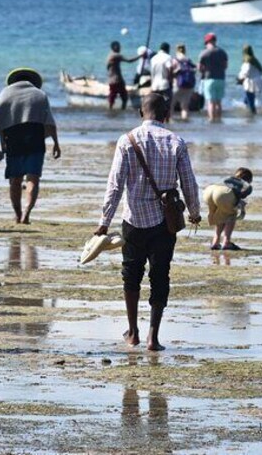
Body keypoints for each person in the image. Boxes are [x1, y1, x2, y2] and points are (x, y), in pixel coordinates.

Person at [95, 93, 201, 351]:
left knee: (131, 275)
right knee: (160, 275)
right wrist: (195, 212)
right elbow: (189, 182)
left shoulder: (127, 141)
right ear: (166, 115)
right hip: (166, 222)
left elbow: (115, 186)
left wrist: (104, 223)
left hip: (133, 221)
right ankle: (154, 337)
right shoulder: (176, 141)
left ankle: (132, 332)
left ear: (141, 113)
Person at [0, 68, 60, 224]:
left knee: (15, 180)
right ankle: (26, 214)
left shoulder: (6, 94)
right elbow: (49, 121)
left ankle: (17, 214)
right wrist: (56, 143)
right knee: (33, 179)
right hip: (36, 140)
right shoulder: (40, 95)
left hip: (14, 140)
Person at [203, 168, 253, 251]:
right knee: (231, 215)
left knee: (220, 215)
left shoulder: (230, 180)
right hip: (223, 194)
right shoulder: (246, 186)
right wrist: (241, 206)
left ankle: (215, 242)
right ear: (249, 179)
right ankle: (226, 242)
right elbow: (239, 198)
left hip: (209, 190)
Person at [198, 33, 228, 122]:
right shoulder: (222, 52)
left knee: (210, 102)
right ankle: (218, 119)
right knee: (218, 102)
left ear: (207, 42)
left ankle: (211, 120)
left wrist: (204, 71)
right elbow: (225, 66)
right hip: (221, 78)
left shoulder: (204, 52)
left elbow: (199, 67)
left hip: (208, 79)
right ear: (215, 41)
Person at [106, 41, 141, 110]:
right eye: (119, 46)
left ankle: (111, 111)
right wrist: (141, 56)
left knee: (112, 97)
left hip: (111, 80)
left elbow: (108, 68)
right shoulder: (116, 55)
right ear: (114, 47)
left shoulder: (110, 55)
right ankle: (122, 111)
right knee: (124, 98)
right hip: (117, 80)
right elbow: (129, 60)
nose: (120, 48)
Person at [172, 44, 197, 121]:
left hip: (177, 85)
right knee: (185, 107)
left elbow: (172, 72)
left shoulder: (175, 60)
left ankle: (170, 122)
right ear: (185, 50)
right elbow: (194, 71)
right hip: (189, 86)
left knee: (171, 105)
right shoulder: (188, 60)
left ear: (176, 50)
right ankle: (184, 122)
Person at [238, 45, 262, 114]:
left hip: (250, 82)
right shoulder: (255, 60)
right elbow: (261, 72)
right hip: (256, 81)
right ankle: (248, 112)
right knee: (247, 99)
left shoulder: (248, 61)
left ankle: (252, 114)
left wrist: (240, 79)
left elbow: (246, 72)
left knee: (250, 99)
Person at [149, 42, 174, 113]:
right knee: (167, 105)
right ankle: (167, 121)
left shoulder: (153, 58)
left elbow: (152, 73)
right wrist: (171, 80)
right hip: (164, 84)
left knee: (155, 105)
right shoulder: (168, 57)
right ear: (168, 49)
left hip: (154, 85)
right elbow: (170, 68)